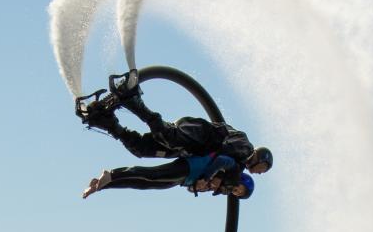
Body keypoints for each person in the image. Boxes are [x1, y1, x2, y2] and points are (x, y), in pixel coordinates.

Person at [78, 71, 274, 199]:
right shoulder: (245, 149)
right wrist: (207, 178)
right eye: (262, 168)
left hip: (189, 152)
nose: (258, 172)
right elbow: (221, 153)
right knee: (167, 137)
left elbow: (215, 163)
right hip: (198, 136)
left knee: (141, 149)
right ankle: (132, 100)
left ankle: (108, 123)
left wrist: (203, 183)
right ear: (260, 157)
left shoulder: (234, 169)